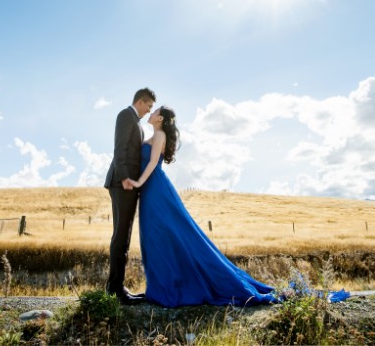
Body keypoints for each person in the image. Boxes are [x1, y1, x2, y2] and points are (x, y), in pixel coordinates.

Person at [130, 106, 279, 307]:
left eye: (154, 112)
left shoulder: (159, 135)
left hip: (155, 189)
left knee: (161, 235)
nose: (151, 113)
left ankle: (167, 288)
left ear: (161, 118)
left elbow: (152, 162)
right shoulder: (156, 134)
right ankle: (161, 286)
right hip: (151, 190)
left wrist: (138, 183)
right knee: (156, 237)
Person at [103, 87, 156, 305]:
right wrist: (125, 177)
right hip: (121, 183)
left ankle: (116, 288)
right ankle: (115, 291)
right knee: (120, 236)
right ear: (141, 102)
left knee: (124, 237)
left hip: (129, 185)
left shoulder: (137, 122)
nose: (149, 110)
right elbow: (120, 149)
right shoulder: (126, 115)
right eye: (149, 106)